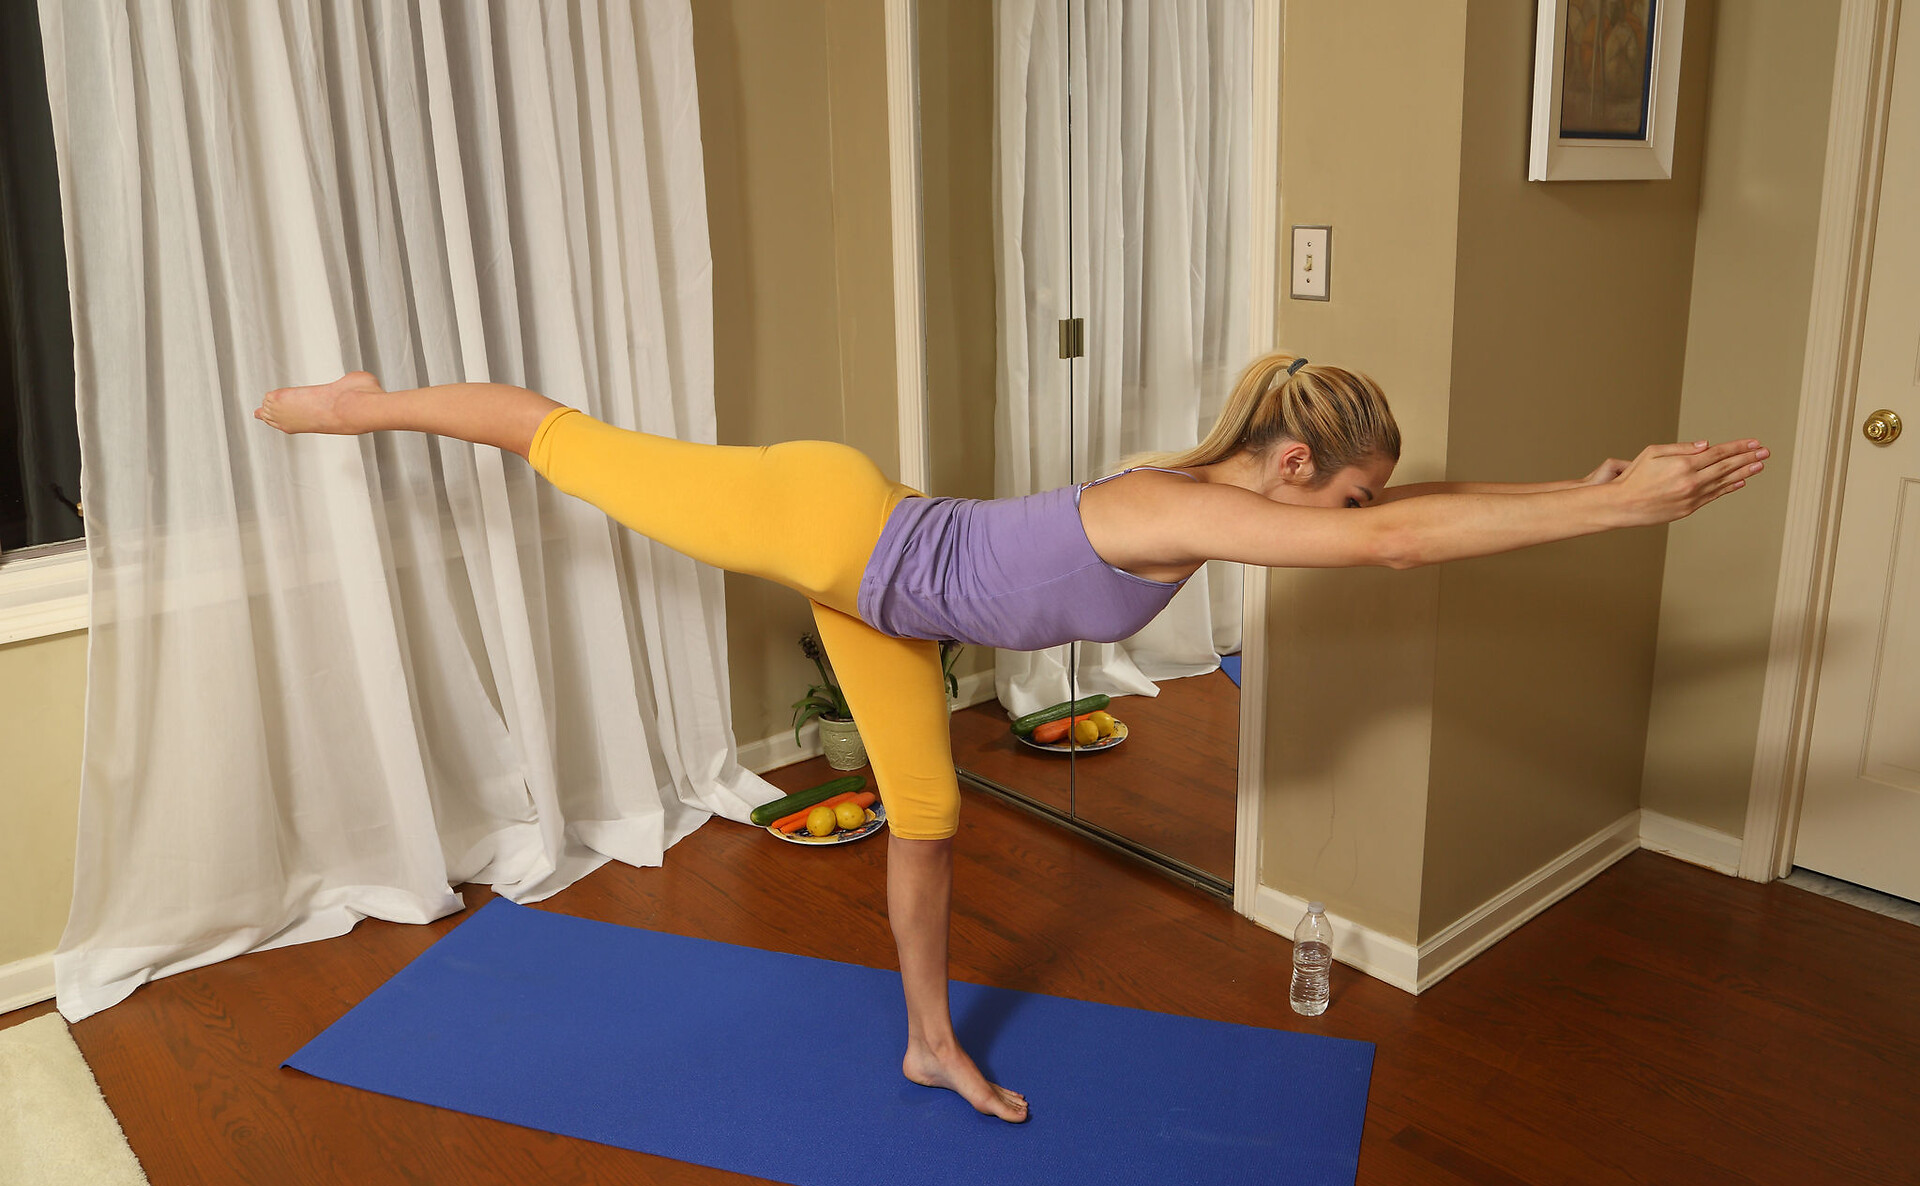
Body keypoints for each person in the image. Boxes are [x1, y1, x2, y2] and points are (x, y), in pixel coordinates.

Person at [255, 351, 1768, 1124]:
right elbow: (1390, 544)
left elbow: (1395, 523)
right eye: (1347, 493)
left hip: (888, 602)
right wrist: (1615, 514)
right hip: (828, 521)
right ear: (1296, 463)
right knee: (559, 440)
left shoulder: (1222, 498)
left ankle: (929, 1048)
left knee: (928, 821)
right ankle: (361, 407)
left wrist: (1581, 487)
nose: (1355, 520)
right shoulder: (1175, 505)